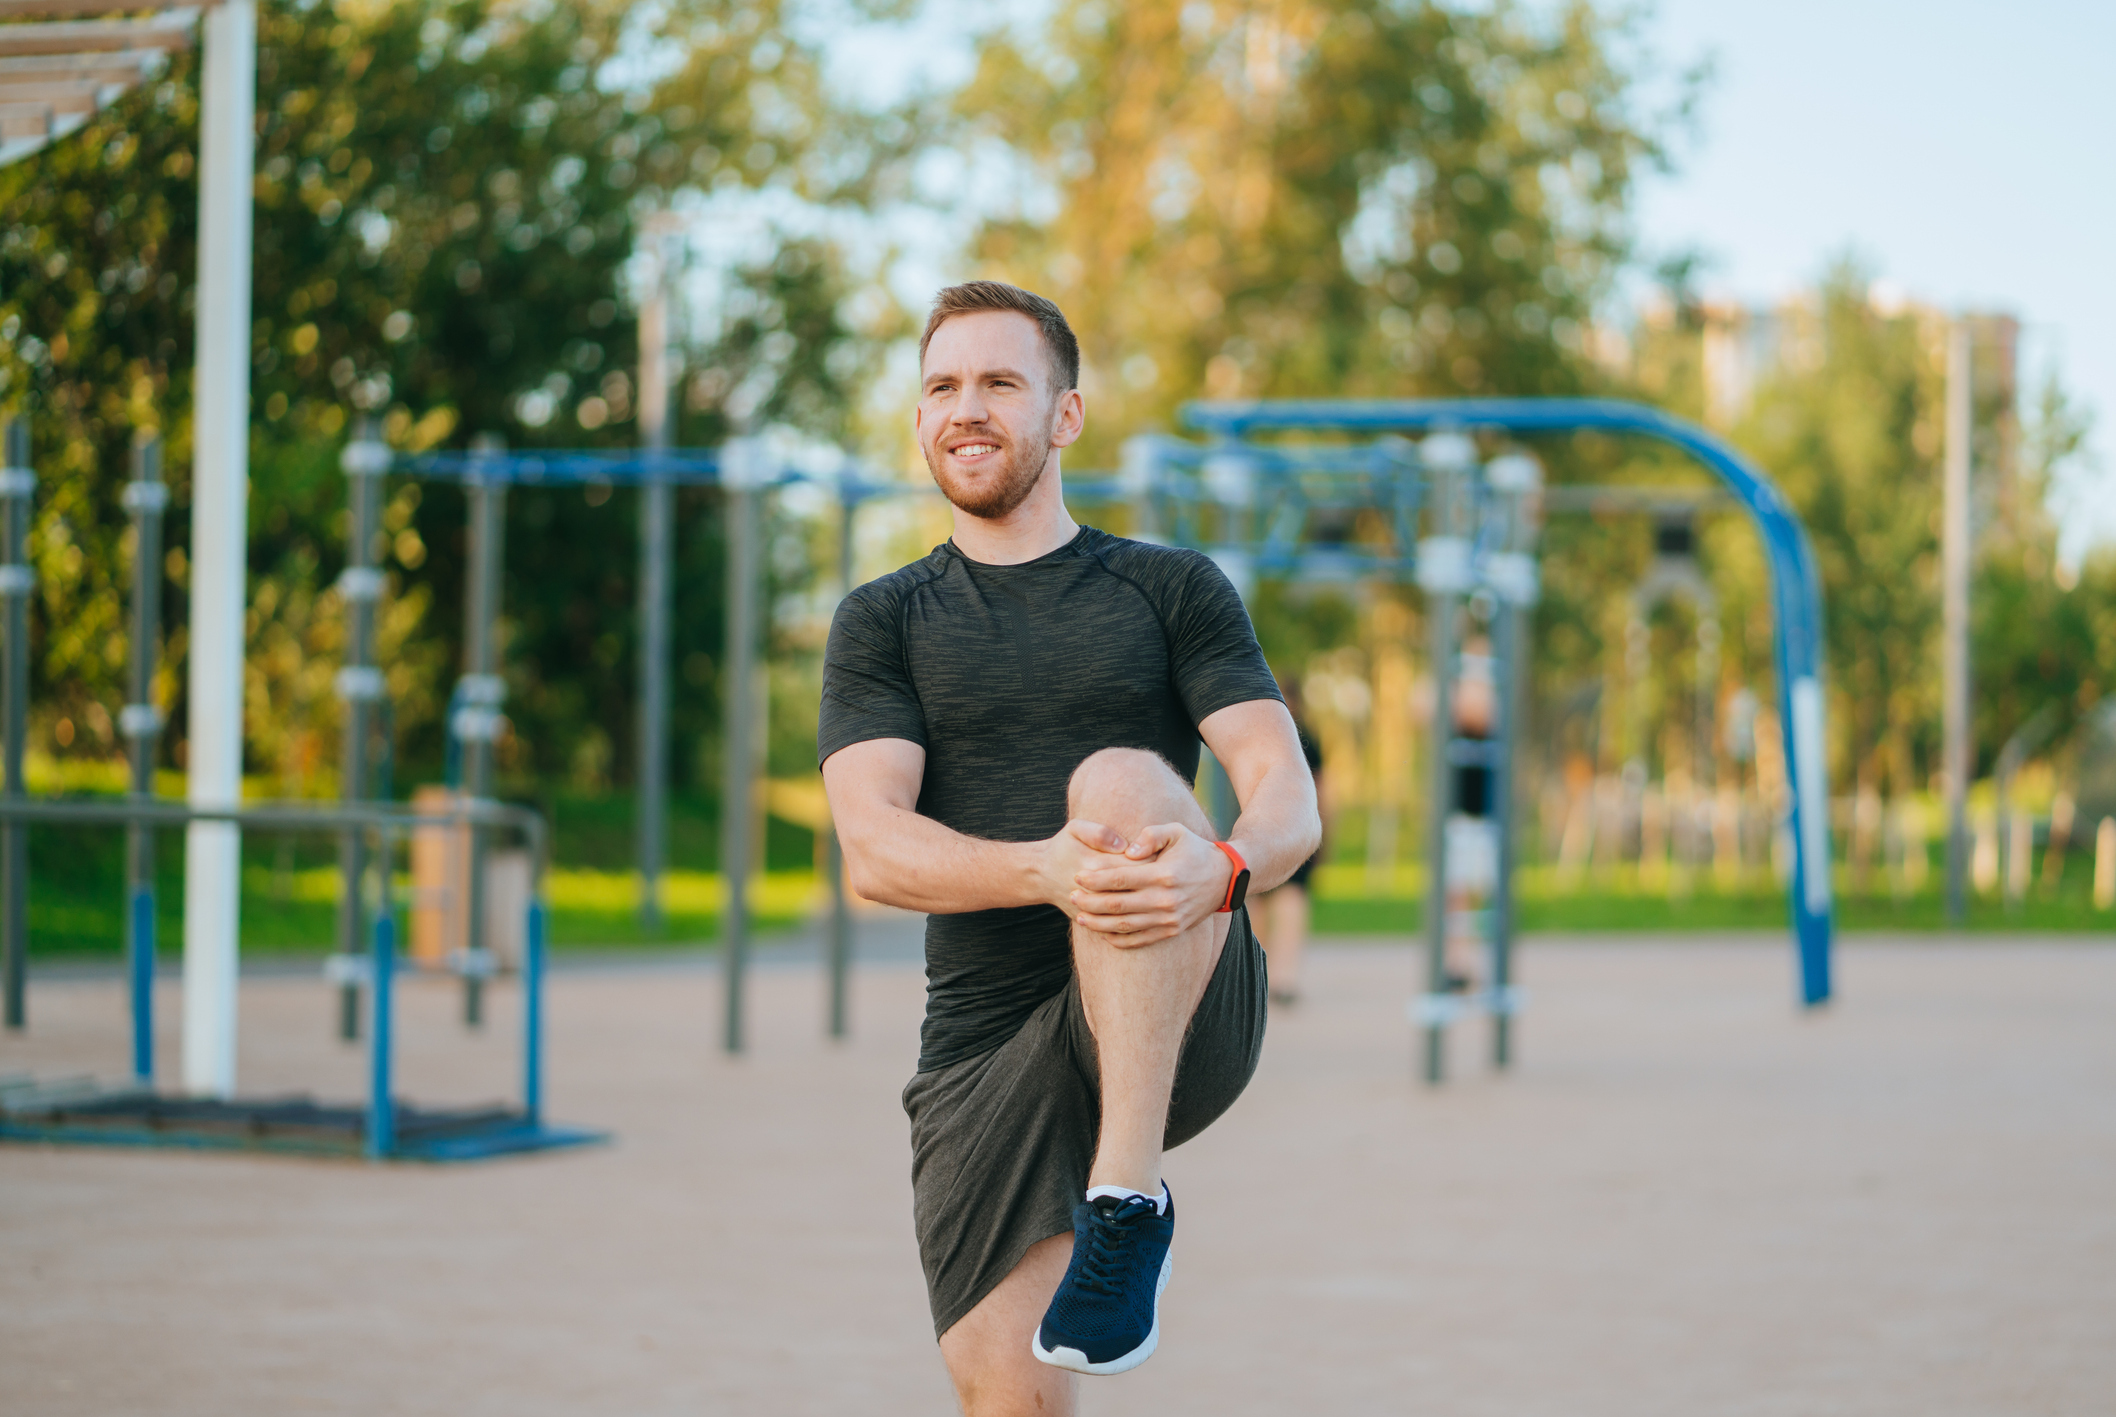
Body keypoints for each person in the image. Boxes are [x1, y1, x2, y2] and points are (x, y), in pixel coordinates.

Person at [819, 280, 1320, 1416]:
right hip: (984, 1043)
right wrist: (1046, 870)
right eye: (943, 385)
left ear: (1065, 415)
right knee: (1012, 1395)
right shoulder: (882, 619)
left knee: (1124, 777)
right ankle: (1105, 1211)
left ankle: (1125, 1201)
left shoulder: (1170, 588)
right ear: (918, 419)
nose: (968, 408)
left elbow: (1286, 798)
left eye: (1001, 381)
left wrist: (1229, 866)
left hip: (1179, 993)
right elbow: (874, 847)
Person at [1253, 684, 1326, 1004]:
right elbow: (1323, 788)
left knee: (1255, 897)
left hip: (1253, 824)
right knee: (1291, 898)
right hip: (1293, 822)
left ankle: (1260, 974)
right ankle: (1285, 977)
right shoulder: (1306, 737)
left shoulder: (1252, 732)